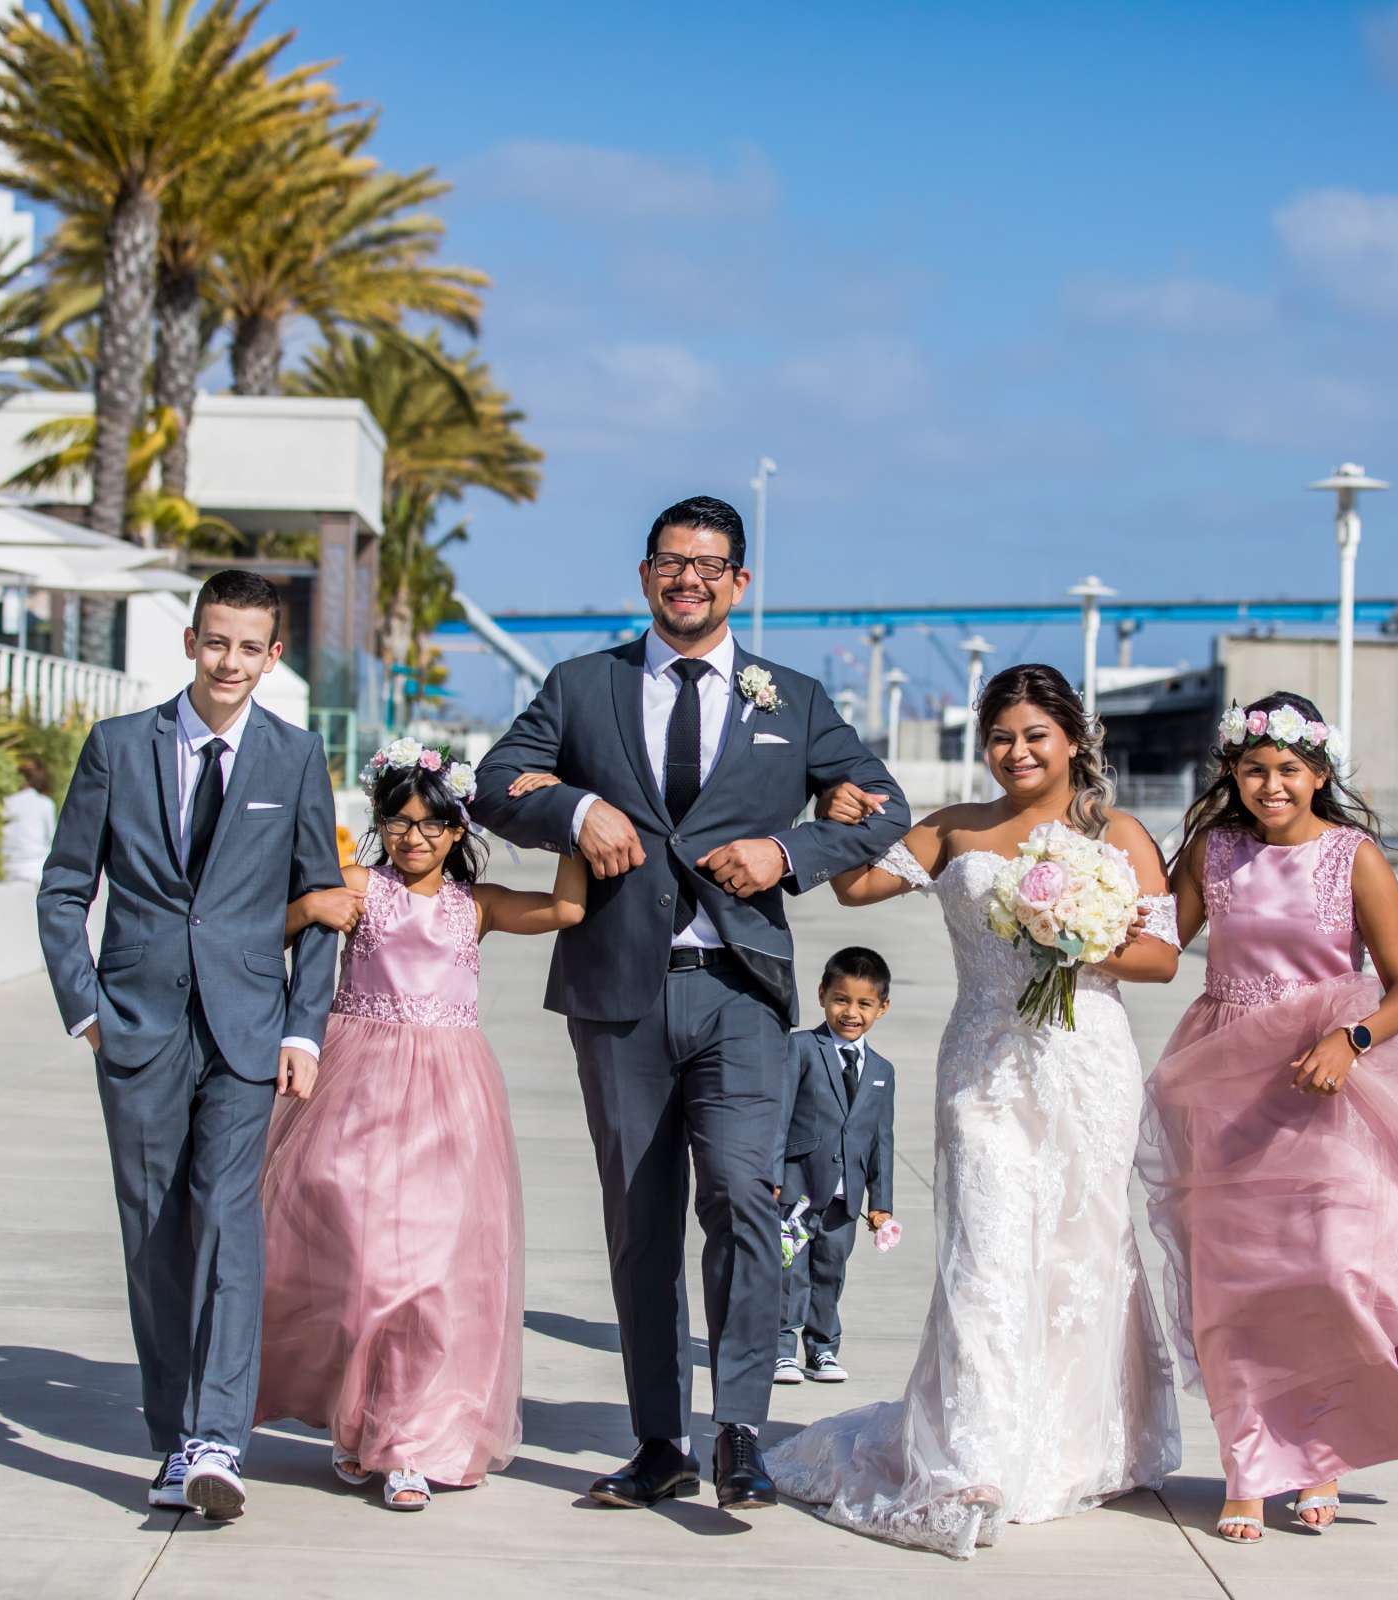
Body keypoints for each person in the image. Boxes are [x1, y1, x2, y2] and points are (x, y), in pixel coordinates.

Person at [473, 494, 910, 1514]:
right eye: (671, 562)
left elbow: (885, 805)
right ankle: (660, 1438)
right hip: (617, 993)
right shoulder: (582, 686)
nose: (689, 579)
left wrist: (790, 851)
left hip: (742, 994)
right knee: (640, 1219)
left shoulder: (791, 699)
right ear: (644, 575)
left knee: (743, 1200)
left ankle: (741, 1431)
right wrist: (576, 809)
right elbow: (494, 784)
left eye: (709, 565)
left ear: (739, 582)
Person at [763, 662, 1183, 1559]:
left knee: (1080, 1253)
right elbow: (858, 890)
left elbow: (1162, 958)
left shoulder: (1122, 834)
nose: (1017, 752)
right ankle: (971, 1458)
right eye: (1000, 737)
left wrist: (1081, 932)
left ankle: (1073, 1444)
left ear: (1073, 739)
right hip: (984, 1066)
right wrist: (849, 821)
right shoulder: (955, 828)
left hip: (1088, 1066)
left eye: (1034, 735)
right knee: (985, 1250)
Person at [1136, 691, 1398, 1544]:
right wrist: (1074, 925)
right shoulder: (1213, 852)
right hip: (1225, 1083)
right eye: (1253, 769)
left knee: (1334, 1276)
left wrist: (1350, 1040)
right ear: (1232, 774)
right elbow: (1159, 945)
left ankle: (1320, 1449)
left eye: (1287, 769)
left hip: (1327, 1086)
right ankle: (1249, 1464)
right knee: (1233, 1290)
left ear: (1319, 774)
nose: (1269, 784)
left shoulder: (1353, 858)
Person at [34, 570, 344, 1521]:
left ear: (273, 655)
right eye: (217, 642)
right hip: (136, 1026)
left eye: (251, 647)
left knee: (227, 1220)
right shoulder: (119, 748)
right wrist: (85, 1008)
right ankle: (172, 1436)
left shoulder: (294, 756)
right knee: (154, 1232)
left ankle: (219, 1436)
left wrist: (304, 1026)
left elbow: (324, 902)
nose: (231, 662)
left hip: (249, 1031)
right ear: (190, 642)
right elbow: (62, 889)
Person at [254, 744, 585, 1512]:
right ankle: (355, 1423)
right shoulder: (362, 887)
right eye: (398, 822)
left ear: (457, 826)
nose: (414, 837)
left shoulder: (479, 905)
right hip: (357, 1085)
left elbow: (568, 909)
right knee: (360, 1266)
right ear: (379, 823)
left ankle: (408, 1443)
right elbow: (268, 928)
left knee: (433, 1275)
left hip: (450, 1095)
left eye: (432, 824)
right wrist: (307, 908)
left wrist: (570, 813)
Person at [774, 946, 899, 1387]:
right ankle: (781, 1348)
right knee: (791, 1267)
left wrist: (880, 1202)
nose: (851, 1012)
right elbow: (780, 1113)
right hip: (798, 1185)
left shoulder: (882, 1070)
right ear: (823, 994)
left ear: (882, 1008)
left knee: (830, 1269)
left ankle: (823, 1348)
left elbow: (881, 1140)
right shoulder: (801, 1049)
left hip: (847, 1195)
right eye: (841, 1000)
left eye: (864, 1004)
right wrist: (773, 1175)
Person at [0, 753, 56, 884]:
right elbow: (52, 839)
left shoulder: (7, 803)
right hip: (38, 868)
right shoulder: (46, 804)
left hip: (8, 869)